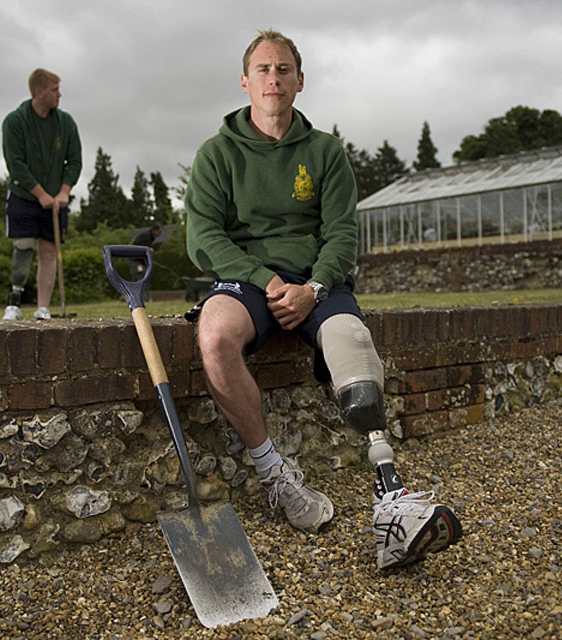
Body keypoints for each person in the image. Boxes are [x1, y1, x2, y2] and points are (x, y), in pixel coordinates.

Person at [184, 29, 462, 569]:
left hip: (316, 278)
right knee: (214, 335)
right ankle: (278, 478)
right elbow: (203, 238)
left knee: (351, 340)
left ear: (299, 81)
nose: (273, 78)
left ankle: (392, 502)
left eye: (283, 69)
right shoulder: (216, 154)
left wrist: (312, 288)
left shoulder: (325, 151)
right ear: (245, 81)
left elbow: (341, 233)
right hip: (249, 279)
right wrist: (265, 281)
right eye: (263, 69)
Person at [1, 68, 82, 321]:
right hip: (24, 197)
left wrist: (63, 191)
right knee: (23, 248)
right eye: (54, 89)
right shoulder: (14, 121)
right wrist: (40, 194)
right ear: (39, 92)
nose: (59, 94)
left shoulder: (66, 123)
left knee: (49, 252)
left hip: (56, 201)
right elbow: (16, 164)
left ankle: (42, 307)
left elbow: (75, 161)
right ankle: (14, 302)